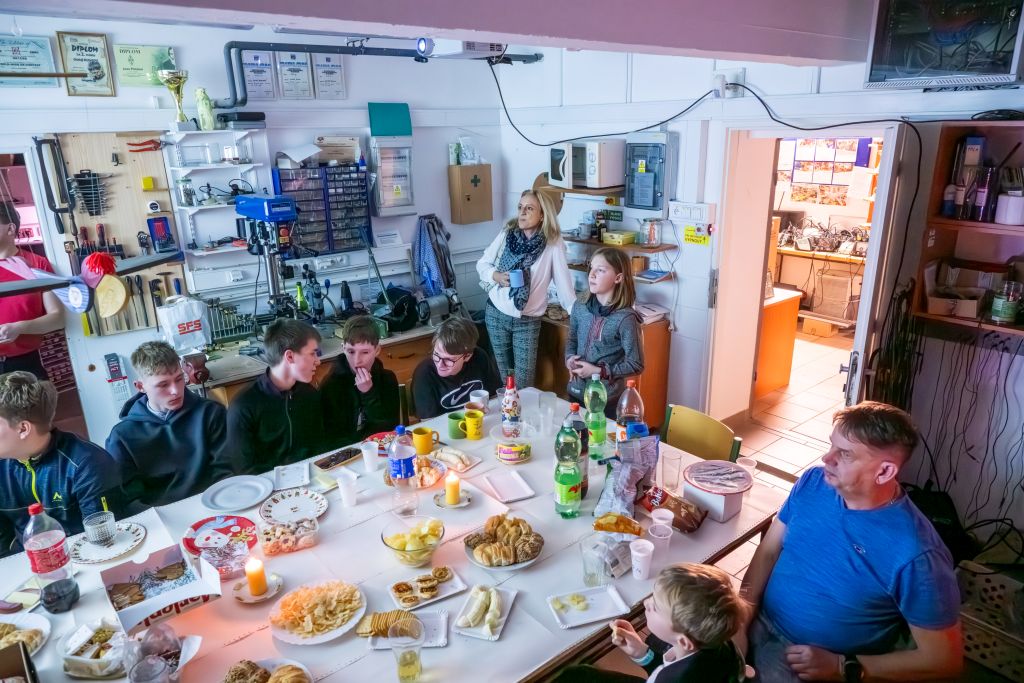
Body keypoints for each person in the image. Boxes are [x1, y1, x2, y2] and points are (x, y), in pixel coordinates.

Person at [741, 401, 963, 683]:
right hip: (757, 619)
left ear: (884, 472)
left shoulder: (918, 554)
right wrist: (743, 609)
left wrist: (843, 666)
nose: (826, 458)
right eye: (831, 445)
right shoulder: (813, 482)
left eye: (845, 454)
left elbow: (943, 660)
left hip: (809, 661)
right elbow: (769, 551)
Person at [555, 563, 750, 682]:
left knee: (573, 677)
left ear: (683, 641)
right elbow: (671, 668)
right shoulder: (723, 646)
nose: (646, 603)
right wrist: (642, 653)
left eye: (655, 607)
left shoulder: (670, 679)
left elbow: (666, 676)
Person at [105, 341, 236, 513]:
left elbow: (226, 471)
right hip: (160, 517)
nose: (175, 390)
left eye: (179, 379)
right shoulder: (122, 437)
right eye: (163, 384)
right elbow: (128, 499)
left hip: (213, 506)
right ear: (140, 387)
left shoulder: (210, 413)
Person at [0, 371, 120, 557]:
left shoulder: (88, 464)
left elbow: (106, 541)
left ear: (23, 428)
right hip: (26, 566)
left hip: (84, 559)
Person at [477, 189, 576, 389]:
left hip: (528, 321)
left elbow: (565, 289)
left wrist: (582, 318)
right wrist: (496, 275)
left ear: (542, 215)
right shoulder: (508, 233)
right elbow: (482, 264)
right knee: (503, 380)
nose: (522, 213)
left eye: (529, 208)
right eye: (520, 207)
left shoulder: (553, 244)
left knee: (524, 385)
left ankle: (519, 410)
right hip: (496, 313)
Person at [227, 319, 325, 474]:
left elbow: (321, 446)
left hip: (312, 477)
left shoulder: (309, 394)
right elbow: (244, 470)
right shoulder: (243, 407)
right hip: (267, 485)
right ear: (290, 357)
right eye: (312, 353)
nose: (318, 361)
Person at [565, 247, 643, 418]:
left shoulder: (626, 318)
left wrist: (598, 371)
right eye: (591, 267)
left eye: (600, 270)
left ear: (618, 278)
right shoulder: (580, 305)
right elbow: (572, 339)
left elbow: (636, 364)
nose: (591, 274)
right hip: (576, 392)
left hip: (606, 399)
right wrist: (569, 358)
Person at [0, 201, 64, 380]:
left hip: (25, 366)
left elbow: (58, 318)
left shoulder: (37, 264)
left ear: (10, 229)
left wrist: (20, 328)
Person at [320, 315, 399, 447]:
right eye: (351, 351)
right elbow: (331, 438)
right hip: (348, 453)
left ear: (377, 350)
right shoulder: (331, 385)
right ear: (343, 348)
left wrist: (369, 394)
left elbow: (389, 429)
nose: (357, 361)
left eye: (365, 352)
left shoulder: (388, 379)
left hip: (380, 448)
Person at [412, 316, 501, 419]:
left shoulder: (480, 357)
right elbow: (428, 421)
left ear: (467, 356)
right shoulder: (424, 373)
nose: (440, 364)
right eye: (436, 354)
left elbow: (494, 397)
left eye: (448, 359)